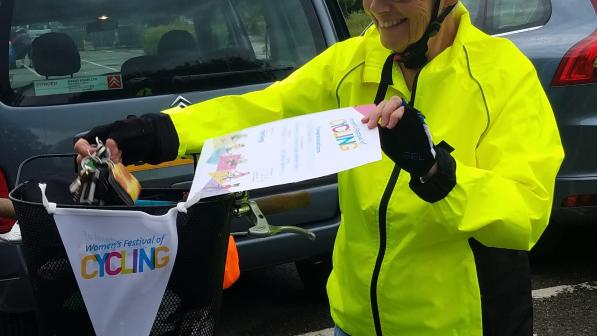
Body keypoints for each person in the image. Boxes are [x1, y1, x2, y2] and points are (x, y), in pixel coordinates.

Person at [74, 0, 564, 335]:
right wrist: (157, 132)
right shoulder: (355, 62)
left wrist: (436, 172)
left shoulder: (502, 76)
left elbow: (525, 212)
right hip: (353, 319)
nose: (378, 7)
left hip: (460, 326)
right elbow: (264, 111)